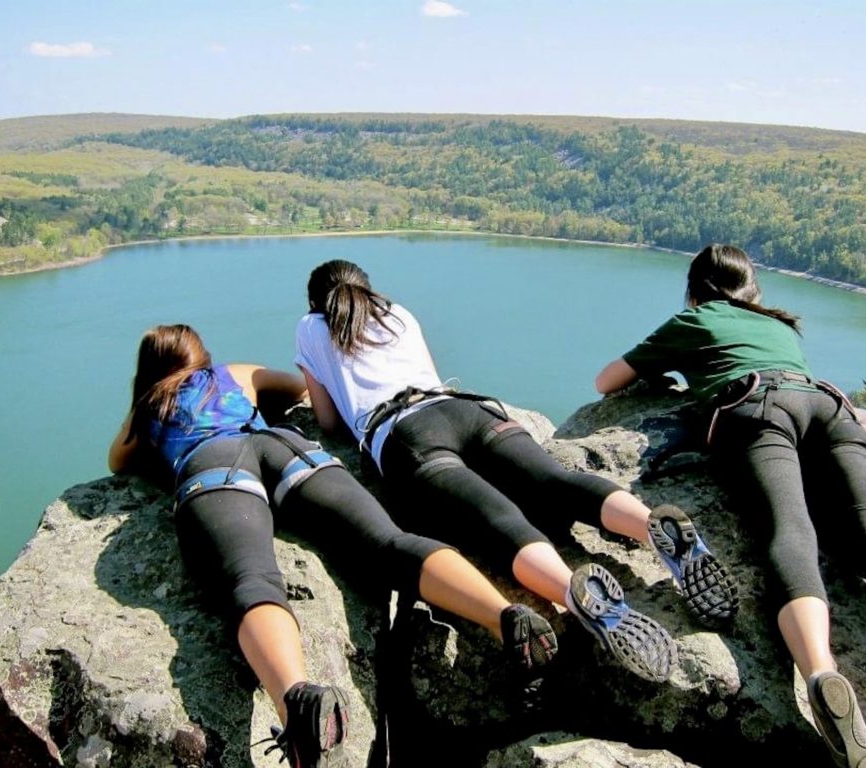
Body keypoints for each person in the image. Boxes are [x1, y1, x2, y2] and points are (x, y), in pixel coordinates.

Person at [108, 324, 560, 768]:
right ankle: (504, 616)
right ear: (202, 355)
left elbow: (117, 461)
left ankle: (297, 701)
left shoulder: (147, 406)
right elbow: (295, 389)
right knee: (387, 543)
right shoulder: (237, 373)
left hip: (213, 467)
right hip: (288, 447)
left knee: (252, 579)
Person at [294, 260, 738, 685]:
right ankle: (650, 525)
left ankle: (573, 593)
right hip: (471, 410)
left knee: (496, 519)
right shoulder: (399, 314)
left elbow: (329, 421)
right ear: (367, 286)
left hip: (407, 434)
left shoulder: (312, 327)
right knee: (553, 481)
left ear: (317, 301)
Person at [595, 243, 866, 768]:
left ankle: (821, 675)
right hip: (829, 406)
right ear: (751, 289)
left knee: (790, 534)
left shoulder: (696, 319)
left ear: (696, 289)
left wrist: (664, 376)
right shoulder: (779, 326)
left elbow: (606, 381)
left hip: (758, 409)